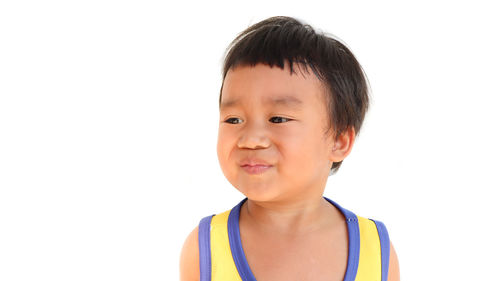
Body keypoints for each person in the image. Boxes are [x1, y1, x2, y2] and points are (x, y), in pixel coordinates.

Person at [180, 16, 400, 281]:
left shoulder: (375, 249)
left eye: (278, 119)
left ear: (339, 140)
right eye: (233, 120)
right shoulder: (206, 249)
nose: (251, 139)